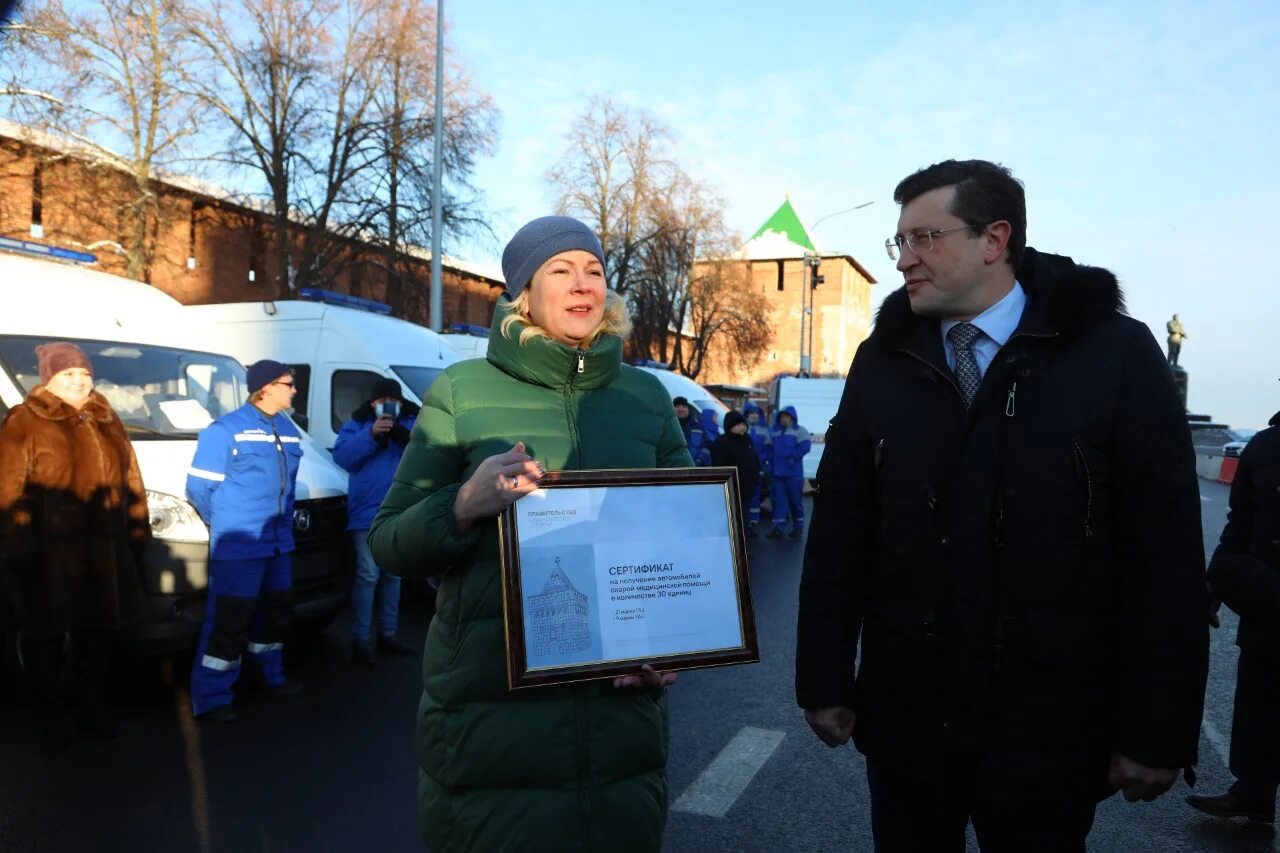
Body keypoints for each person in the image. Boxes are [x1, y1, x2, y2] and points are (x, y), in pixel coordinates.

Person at [795, 159, 1208, 852]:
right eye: (898, 242)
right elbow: (840, 531)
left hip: (1050, 726)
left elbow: (1162, 554)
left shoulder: (1113, 354)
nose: (905, 260)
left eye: (925, 237)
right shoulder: (883, 360)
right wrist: (824, 678)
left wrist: (1156, 730)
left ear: (995, 239)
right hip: (909, 720)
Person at [369, 215, 692, 852]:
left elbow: (687, 534)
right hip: (492, 720)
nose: (582, 285)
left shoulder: (646, 397)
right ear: (523, 293)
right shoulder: (463, 391)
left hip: (619, 721)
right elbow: (387, 541)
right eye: (561, 270)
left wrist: (675, 644)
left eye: (594, 271)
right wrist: (462, 505)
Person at [0, 342, 148, 749]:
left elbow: (131, 479)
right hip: (49, 556)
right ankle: (49, 723)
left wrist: (137, 531)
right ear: (48, 379)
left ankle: (91, 712)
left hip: (106, 554)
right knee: (45, 641)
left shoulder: (106, 417)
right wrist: (18, 547)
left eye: (84, 374)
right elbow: (7, 488)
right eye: (68, 374)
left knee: (97, 637)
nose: (79, 381)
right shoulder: (25, 420)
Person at [186, 359, 304, 723]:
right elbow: (199, 490)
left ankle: (270, 676)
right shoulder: (224, 431)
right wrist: (224, 522)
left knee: (276, 613)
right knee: (228, 620)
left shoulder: (289, 430)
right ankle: (212, 697)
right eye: (288, 384)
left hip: (278, 543)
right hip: (239, 546)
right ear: (265, 387)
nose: (294, 390)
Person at [1187, 409, 1280, 822]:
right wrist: (1216, 583)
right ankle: (1252, 794)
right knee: (1258, 698)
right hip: (1267, 599)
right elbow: (1239, 521)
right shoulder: (1263, 446)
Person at [332, 376, 420, 667]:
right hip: (366, 513)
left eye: (394, 401)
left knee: (393, 575)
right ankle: (361, 640)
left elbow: (423, 452)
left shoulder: (409, 423)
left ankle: (388, 635)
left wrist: (398, 435)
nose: (389, 406)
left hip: (398, 511)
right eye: (383, 401)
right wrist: (371, 435)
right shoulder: (357, 425)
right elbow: (343, 457)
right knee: (368, 575)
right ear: (372, 403)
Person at [710, 411, 761, 538]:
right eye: (738, 424)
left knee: (743, 520)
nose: (742, 427)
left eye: (743, 424)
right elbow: (718, 466)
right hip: (730, 488)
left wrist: (755, 479)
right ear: (730, 426)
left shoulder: (747, 440)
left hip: (746, 489)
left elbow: (754, 460)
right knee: (728, 521)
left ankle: (743, 551)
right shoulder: (722, 442)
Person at [766, 406, 810, 540]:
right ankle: (778, 529)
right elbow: (768, 448)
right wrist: (768, 463)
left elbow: (805, 446)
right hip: (777, 474)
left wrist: (794, 457)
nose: (784, 419)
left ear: (792, 418)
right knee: (778, 502)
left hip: (793, 474)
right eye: (782, 417)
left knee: (794, 501)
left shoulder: (800, 430)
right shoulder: (774, 431)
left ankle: (798, 527)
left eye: (787, 417)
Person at [742, 403, 772, 534]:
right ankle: (745, 519)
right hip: (745, 465)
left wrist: (762, 461)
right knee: (745, 492)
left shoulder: (765, 429)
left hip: (758, 465)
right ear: (746, 415)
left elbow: (768, 448)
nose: (754, 415)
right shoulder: (742, 428)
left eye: (756, 413)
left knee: (756, 492)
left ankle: (754, 518)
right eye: (751, 413)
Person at [673, 395, 710, 465]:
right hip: (675, 469)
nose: (681, 409)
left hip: (697, 469)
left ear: (688, 409)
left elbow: (707, 446)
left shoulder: (699, 428)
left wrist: (700, 460)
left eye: (684, 407)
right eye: (677, 407)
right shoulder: (669, 428)